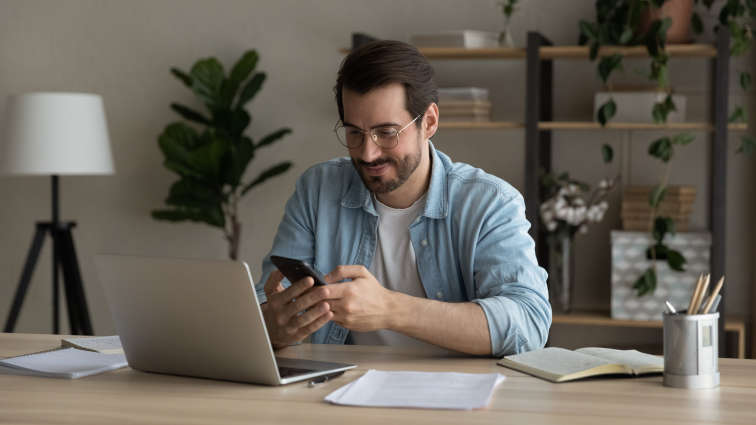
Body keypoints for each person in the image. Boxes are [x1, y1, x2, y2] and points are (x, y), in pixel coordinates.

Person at [256, 40, 550, 357]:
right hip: (342, 393)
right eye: (354, 132)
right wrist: (274, 327)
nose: (368, 153)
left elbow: (529, 324)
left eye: (387, 132)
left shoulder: (489, 202)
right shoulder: (318, 189)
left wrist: (391, 310)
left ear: (430, 122)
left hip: (458, 395)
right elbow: (264, 305)